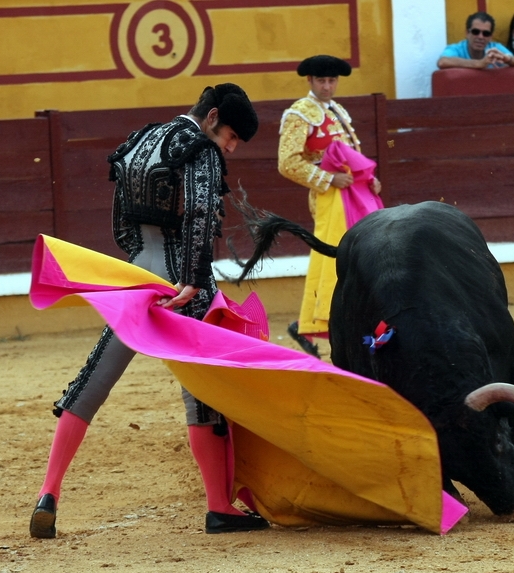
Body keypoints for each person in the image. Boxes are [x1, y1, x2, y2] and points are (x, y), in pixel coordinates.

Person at [29, 83, 270, 538]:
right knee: (205, 393)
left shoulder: (140, 140)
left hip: (137, 278)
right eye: (232, 137)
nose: (231, 148)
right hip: (183, 283)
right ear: (213, 116)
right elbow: (201, 214)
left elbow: (121, 222)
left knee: (93, 379)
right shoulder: (200, 147)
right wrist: (193, 279)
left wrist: (139, 266)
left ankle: (49, 492)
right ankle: (219, 506)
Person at [277, 55, 382, 357]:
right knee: (334, 258)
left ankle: (322, 321)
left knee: (359, 254)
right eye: (321, 80)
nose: (327, 86)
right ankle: (312, 321)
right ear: (309, 81)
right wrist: (327, 178)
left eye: (332, 80)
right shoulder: (300, 113)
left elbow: (353, 156)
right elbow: (287, 163)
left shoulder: (338, 111)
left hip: (353, 193)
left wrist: (369, 180)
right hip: (329, 199)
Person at [437, 12, 514, 69]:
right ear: (467, 33)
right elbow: (442, 62)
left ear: (491, 37)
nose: (480, 37)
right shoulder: (457, 48)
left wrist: (508, 59)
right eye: (476, 32)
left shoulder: (495, 47)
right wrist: (478, 64)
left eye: (486, 33)